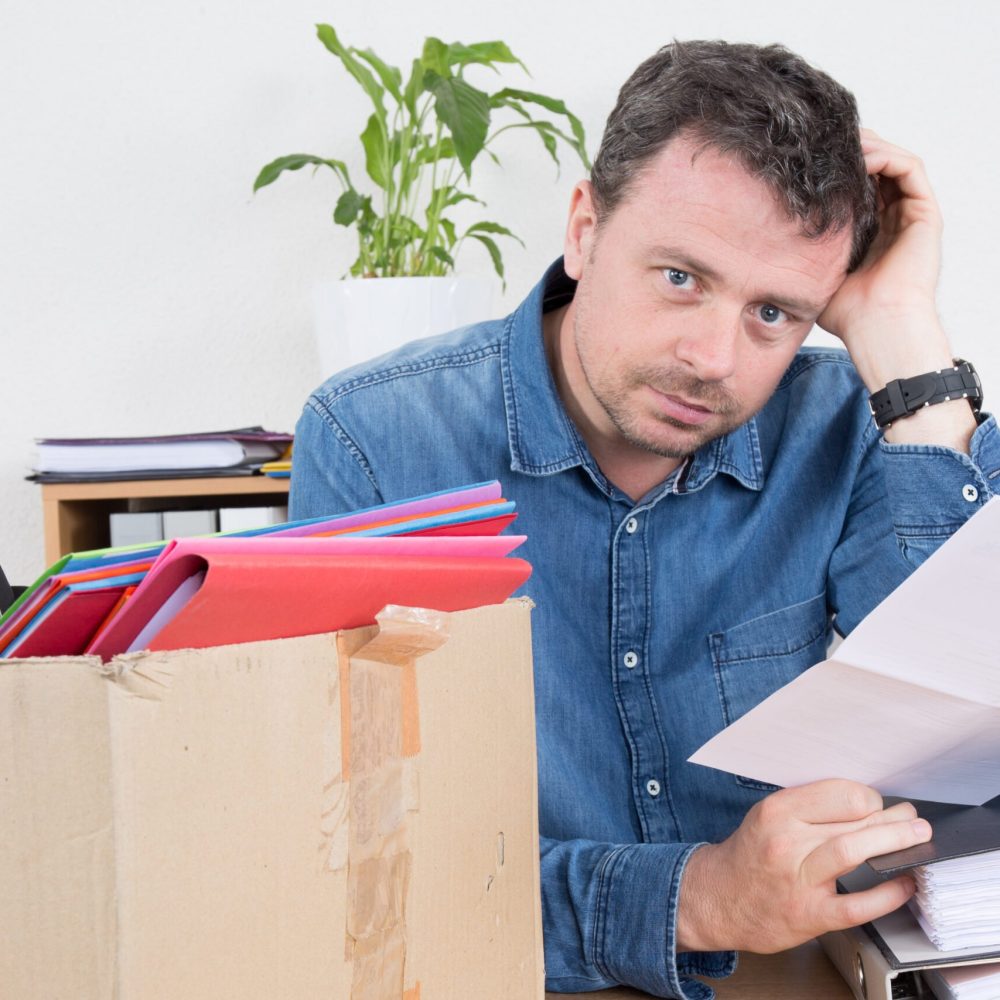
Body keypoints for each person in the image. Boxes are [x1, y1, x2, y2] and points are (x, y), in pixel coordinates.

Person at [290, 40, 998, 999]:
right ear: (585, 229)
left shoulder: (860, 420)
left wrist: (907, 349)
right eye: (680, 278)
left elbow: (974, 736)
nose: (713, 357)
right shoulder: (375, 441)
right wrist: (696, 899)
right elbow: (356, 863)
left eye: (775, 314)